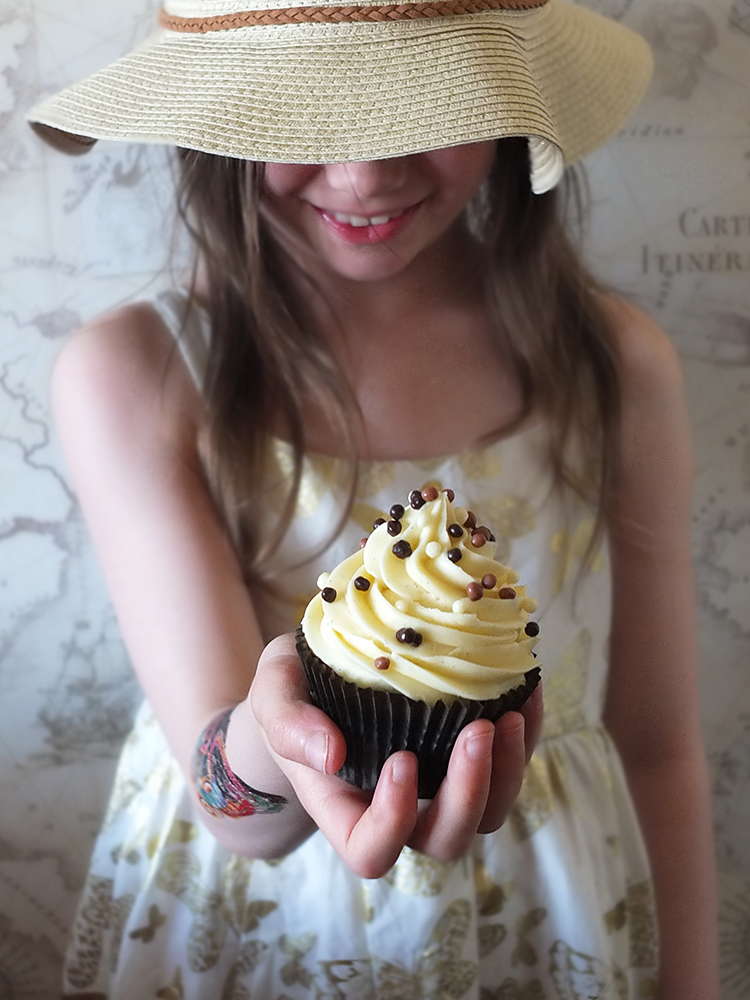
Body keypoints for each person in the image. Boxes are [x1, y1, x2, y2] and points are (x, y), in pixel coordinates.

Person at [28, 0, 719, 997]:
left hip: (546, 919)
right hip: (264, 936)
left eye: (416, 106)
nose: (362, 174)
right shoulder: (141, 374)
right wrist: (281, 732)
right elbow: (237, 812)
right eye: (301, 113)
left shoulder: (612, 366)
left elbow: (658, 746)